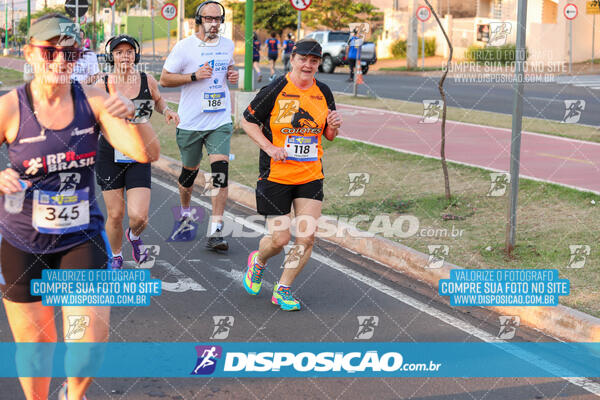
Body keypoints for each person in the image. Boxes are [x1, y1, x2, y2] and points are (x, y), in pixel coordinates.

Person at [0, 13, 159, 400]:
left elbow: (146, 153)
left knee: (87, 344)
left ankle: (73, 395)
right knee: (36, 347)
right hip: (22, 242)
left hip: (80, 237)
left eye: (69, 53)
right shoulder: (10, 107)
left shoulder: (93, 101)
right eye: (49, 51)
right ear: (29, 53)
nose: (59, 61)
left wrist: (132, 117)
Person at [240, 38, 342, 311]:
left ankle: (282, 289)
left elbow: (328, 135)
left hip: (310, 174)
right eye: (303, 59)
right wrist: (270, 147)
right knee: (280, 239)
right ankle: (258, 262)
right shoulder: (274, 89)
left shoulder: (324, 91)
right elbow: (246, 121)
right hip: (276, 176)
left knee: (307, 237)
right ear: (293, 58)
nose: (308, 65)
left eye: (314, 61)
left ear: (318, 63)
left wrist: (334, 126)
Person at [160, 0, 239, 251]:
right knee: (189, 175)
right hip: (191, 121)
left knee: (220, 174)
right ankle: (185, 211)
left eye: (217, 19)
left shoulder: (228, 45)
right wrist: (193, 76)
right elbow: (164, 79)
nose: (214, 24)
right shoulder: (184, 47)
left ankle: (216, 232)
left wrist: (232, 74)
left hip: (219, 120)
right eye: (209, 19)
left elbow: (228, 69)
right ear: (199, 20)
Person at [96, 34, 179, 269]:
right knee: (115, 214)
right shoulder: (102, 83)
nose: (125, 56)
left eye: (129, 51)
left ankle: (133, 236)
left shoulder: (146, 79)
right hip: (109, 153)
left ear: (136, 55)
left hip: (139, 153)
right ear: (111, 56)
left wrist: (167, 111)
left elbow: (159, 101)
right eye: (119, 52)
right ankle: (116, 255)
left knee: (139, 217)